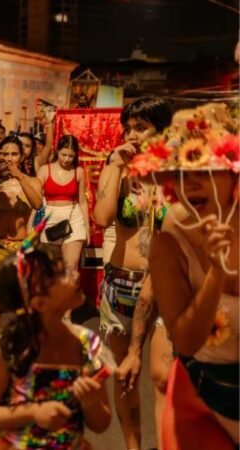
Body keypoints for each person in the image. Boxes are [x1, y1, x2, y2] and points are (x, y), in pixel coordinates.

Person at [0, 241, 111, 449]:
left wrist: (90, 402)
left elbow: (102, 423)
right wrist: (33, 412)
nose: (76, 275)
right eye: (63, 274)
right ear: (40, 303)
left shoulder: (86, 345)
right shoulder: (10, 348)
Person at [141, 122, 239, 449]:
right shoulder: (171, 238)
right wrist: (215, 270)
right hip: (201, 405)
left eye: (205, 170)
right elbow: (185, 340)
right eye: (181, 174)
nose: (191, 183)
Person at [93, 96, 173, 450]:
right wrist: (112, 165)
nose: (132, 135)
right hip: (122, 284)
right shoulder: (119, 171)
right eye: (128, 128)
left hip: (169, 287)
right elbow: (102, 217)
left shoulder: (179, 174)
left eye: (142, 127)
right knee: (126, 376)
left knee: (162, 377)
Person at [0, 135, 43, 327]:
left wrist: (19, 177)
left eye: (14, 154)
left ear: (22, 157)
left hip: (20, 248)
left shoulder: (32, 182)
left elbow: (37, 204)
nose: (10, 158)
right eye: (5, 154)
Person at [38, 135, 90, 273]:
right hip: (49, 217)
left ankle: (70, 294)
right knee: (50, 269)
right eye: (64, 154)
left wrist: (87, 228)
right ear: (57, 151)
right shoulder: (44, 170)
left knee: (71, 268)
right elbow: (36, 202)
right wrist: (34, 226)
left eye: (71, 156)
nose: (66, 159)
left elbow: (83, 202)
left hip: (74, 218)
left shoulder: (78, 172)